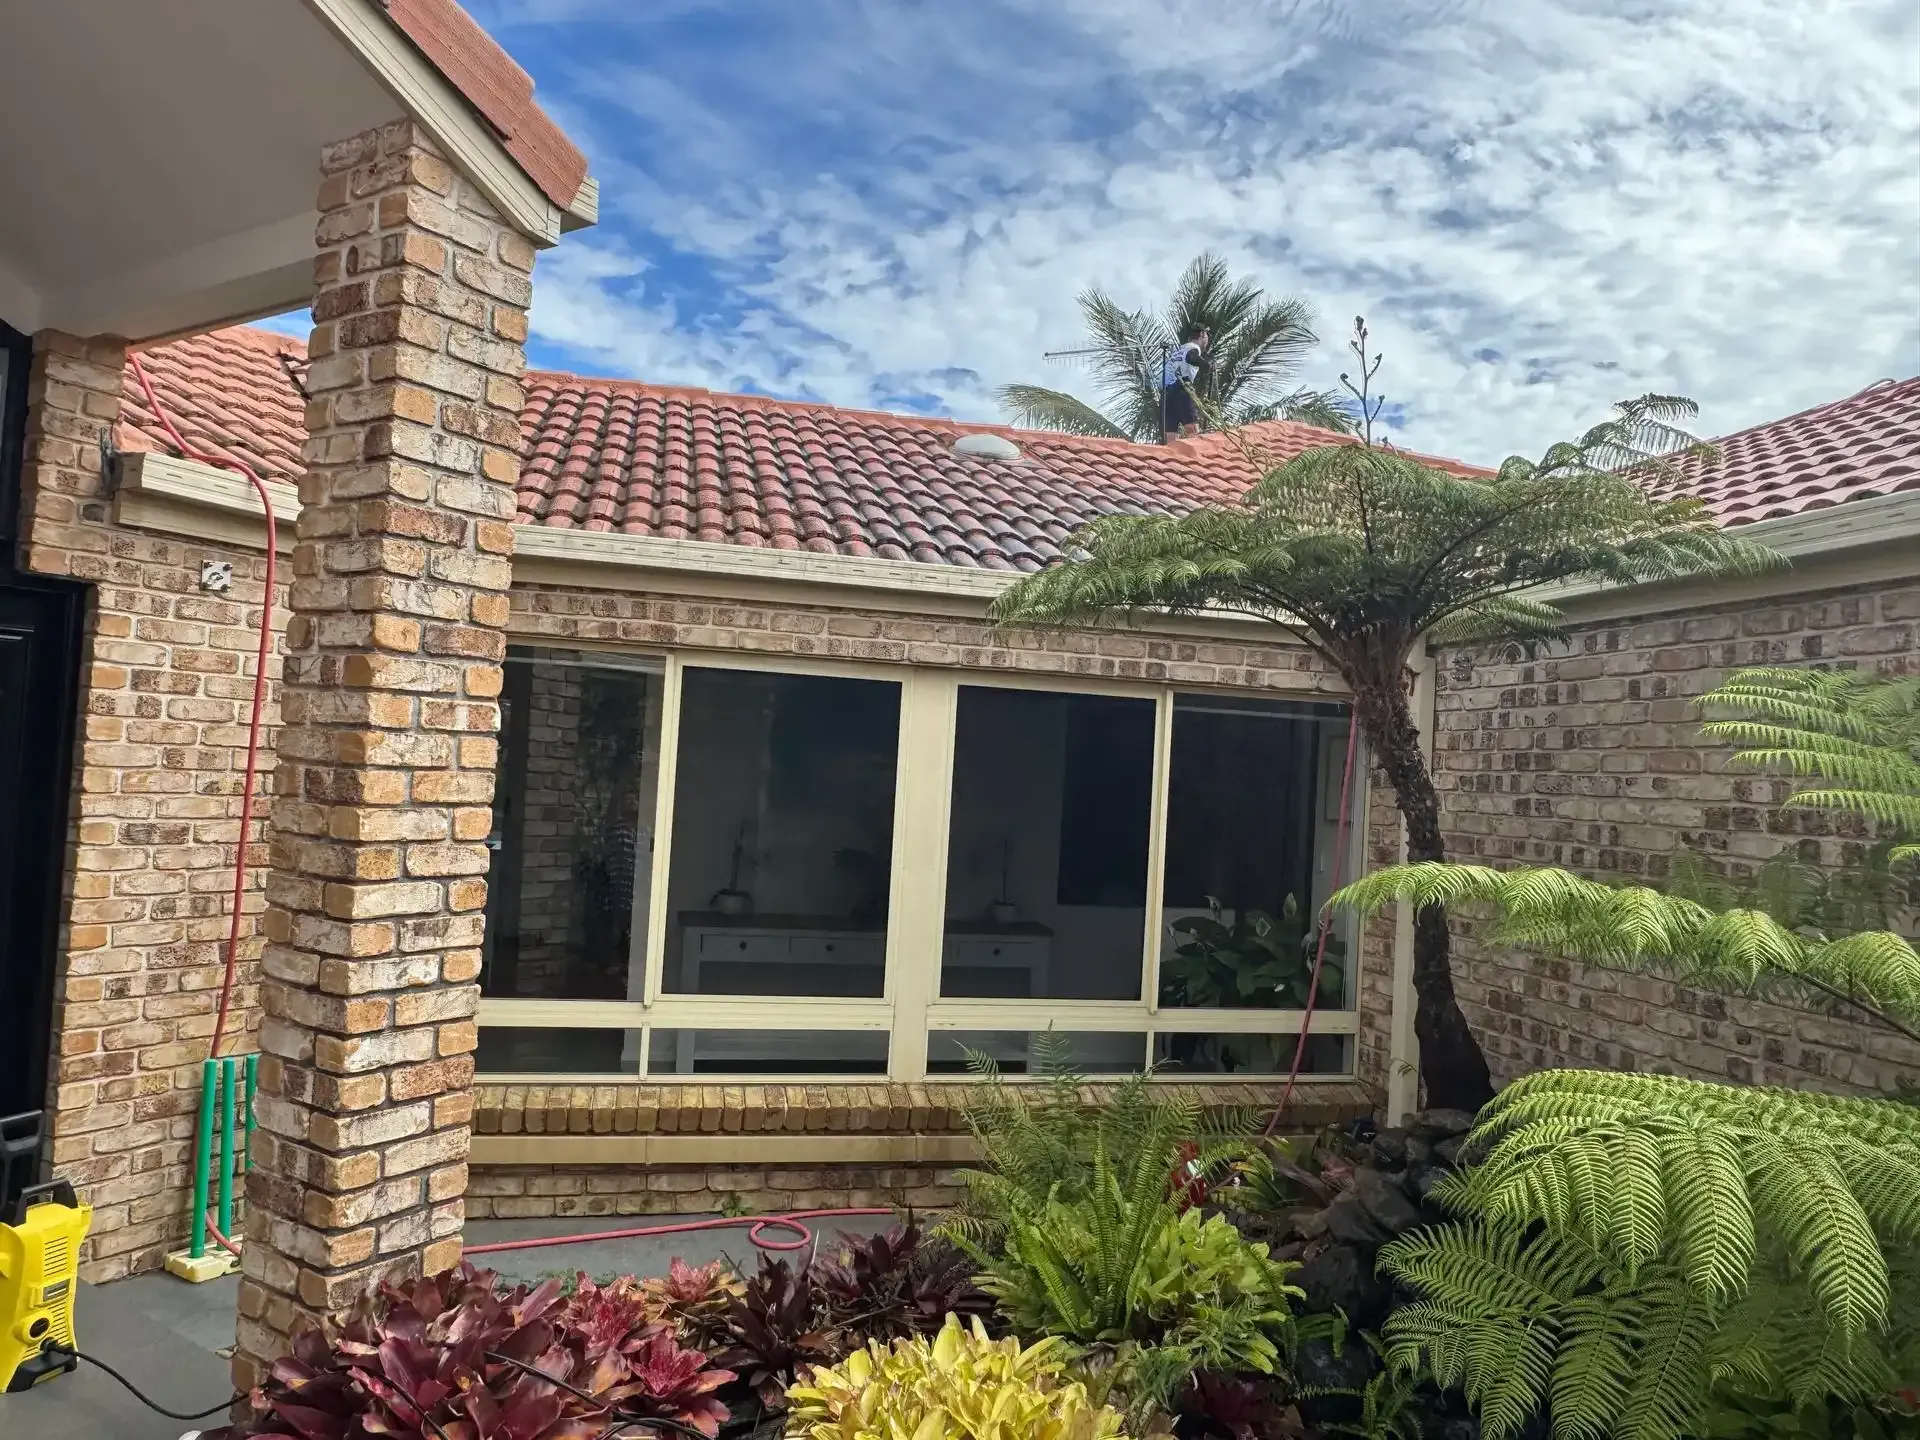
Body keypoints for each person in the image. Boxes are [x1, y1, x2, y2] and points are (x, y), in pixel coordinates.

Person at [1161, 326, 1208, 440]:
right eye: (1207, 336)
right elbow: (1192, 357)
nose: (1207, 341)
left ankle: (1172, 455)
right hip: (1182, 389)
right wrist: (1208, 365)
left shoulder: (1178, 351)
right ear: (1202, 334)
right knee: (1192, 429)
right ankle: (1196, 455)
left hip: (1167, 394)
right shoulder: (1193, 348)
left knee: (1170, 433)